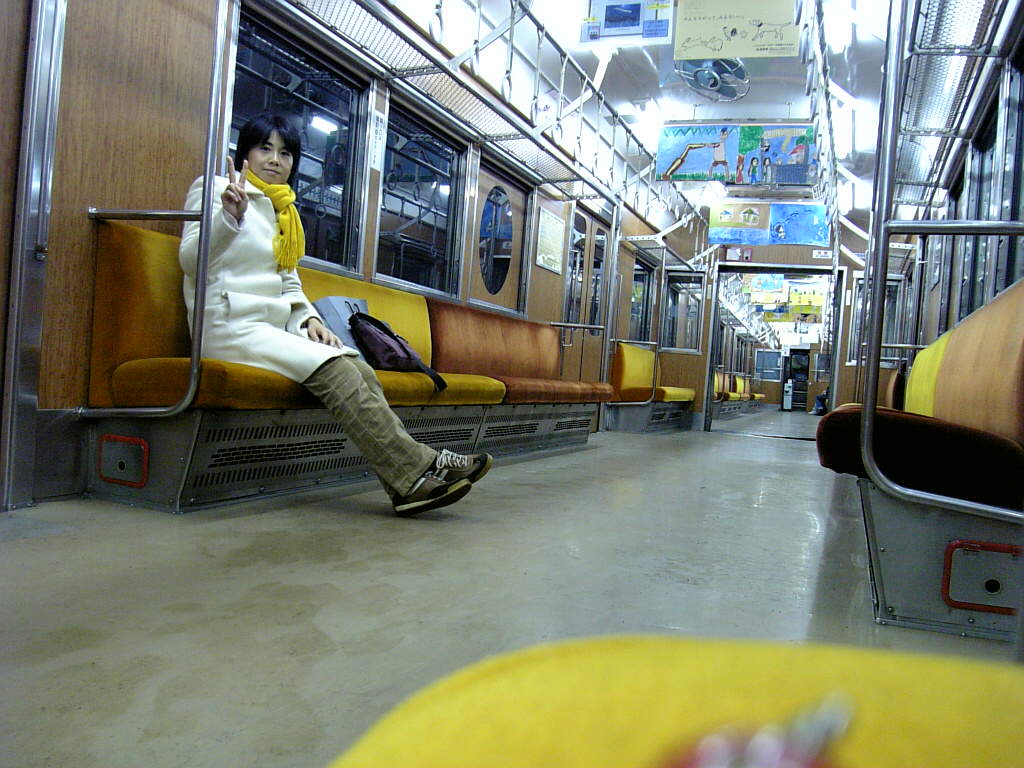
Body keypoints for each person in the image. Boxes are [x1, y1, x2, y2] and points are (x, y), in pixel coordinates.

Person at [179, 112, 491, 515]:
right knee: (337, 370)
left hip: (272, 328)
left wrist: (309, 320)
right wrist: (228, 219)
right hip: (229, 323)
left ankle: (404, 484)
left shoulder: (282, 211)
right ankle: (419, 470)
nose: (275, 159)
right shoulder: (217, 189)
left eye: (285, 153)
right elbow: (191, 262)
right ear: (246, 154)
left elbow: (288, 281)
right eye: (264, 148)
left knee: (358, 367)